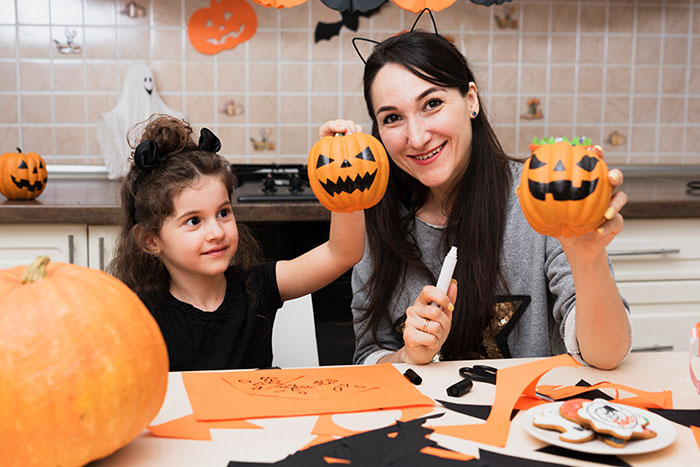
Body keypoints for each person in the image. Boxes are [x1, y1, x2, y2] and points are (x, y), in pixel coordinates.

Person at [320, 30, 631, 370]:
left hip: (529, 418)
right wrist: (407, 356)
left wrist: (587, 260)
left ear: (471, 100)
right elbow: (369, 357)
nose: (417, 137)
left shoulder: (543, 195)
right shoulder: (374, 218)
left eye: (432, 104)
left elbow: (606, 355)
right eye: (392, 118)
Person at [109, 115, 365, 371]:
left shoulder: (259, 287)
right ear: (151, 240)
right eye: (194, 221)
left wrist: (343, 165)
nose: (216, 232)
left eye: (223, 213)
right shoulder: (139, 315)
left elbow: (342, 253)